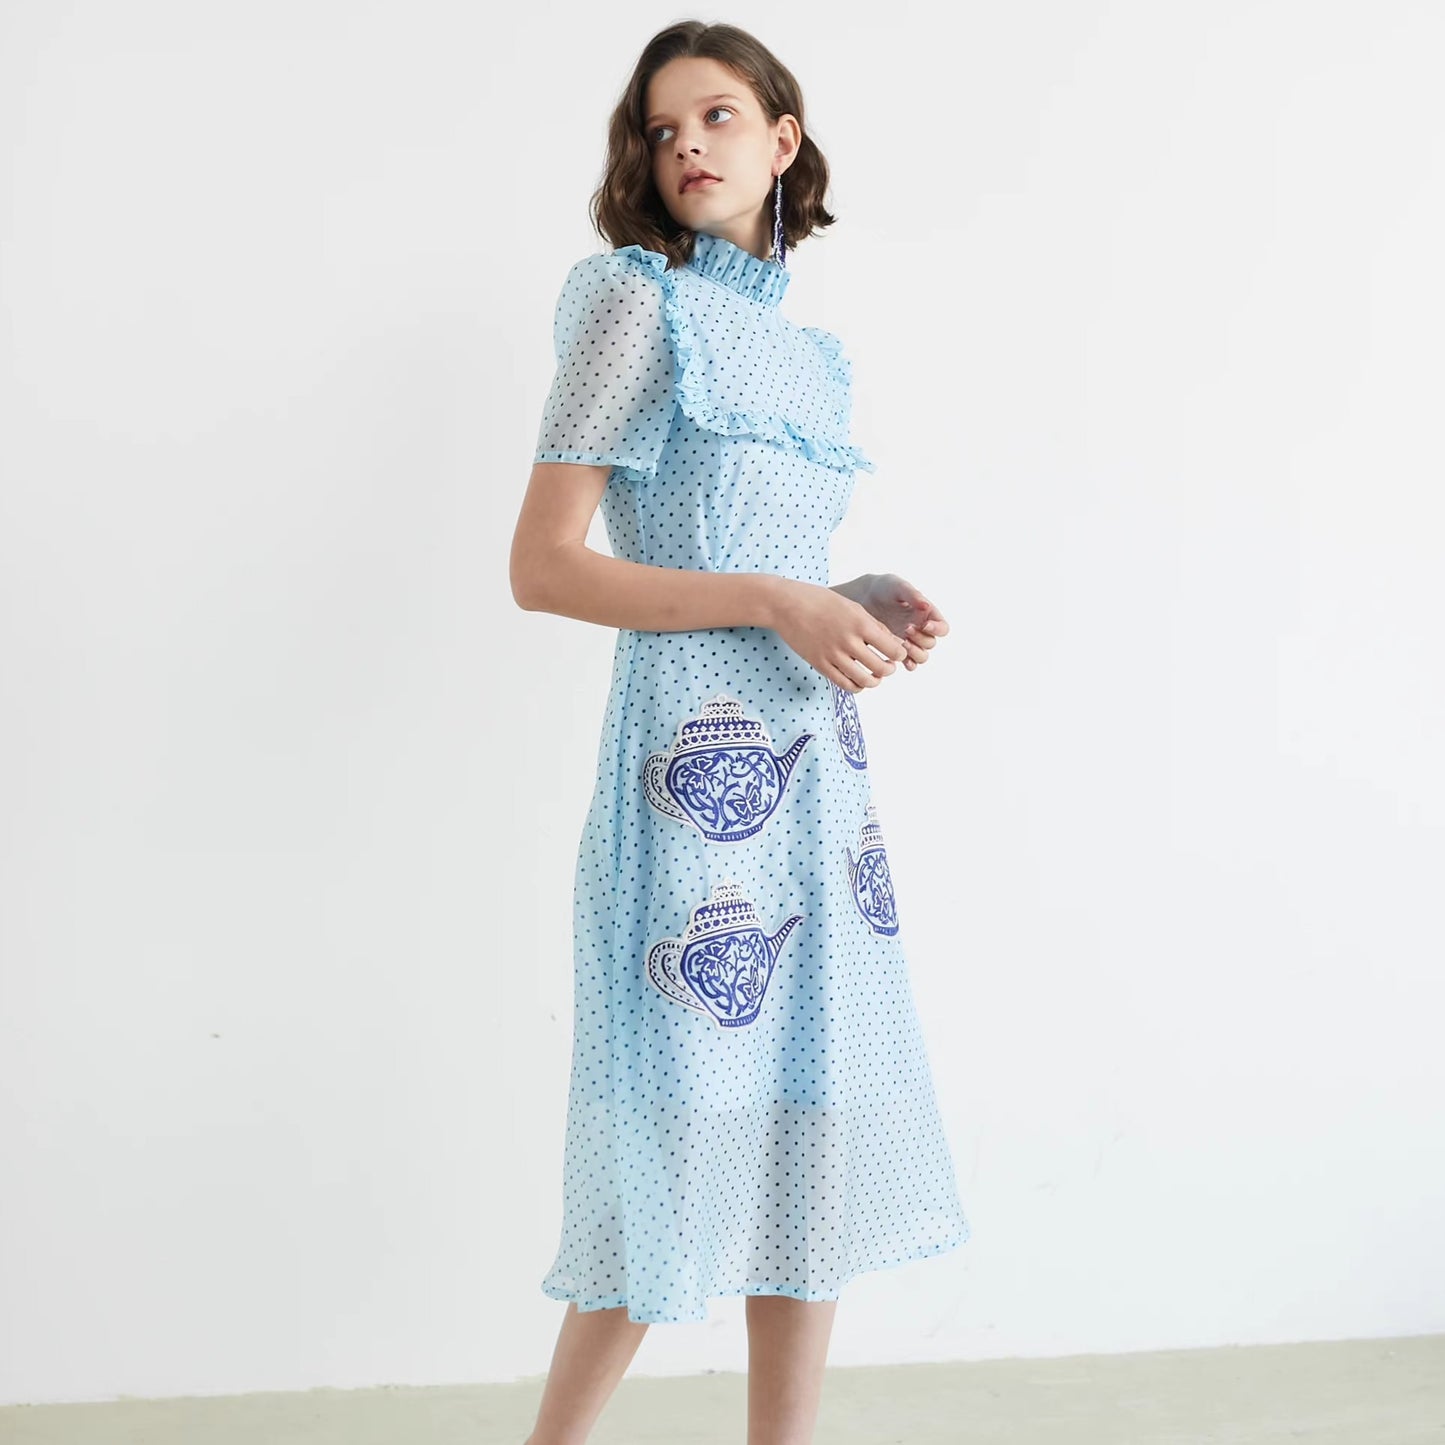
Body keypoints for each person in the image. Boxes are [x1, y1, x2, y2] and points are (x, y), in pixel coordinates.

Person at [509, 21, 971, 1445]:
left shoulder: (809, 357)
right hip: (684, 778)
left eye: (717, 116)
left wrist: (844, 600)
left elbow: (762, 563)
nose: (688, 147)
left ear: (783, 137)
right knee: (671, 1131)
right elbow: (545, 568)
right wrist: (777, 600)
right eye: (662, 129)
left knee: (808, 1126)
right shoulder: (629, 305)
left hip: (813, 781)